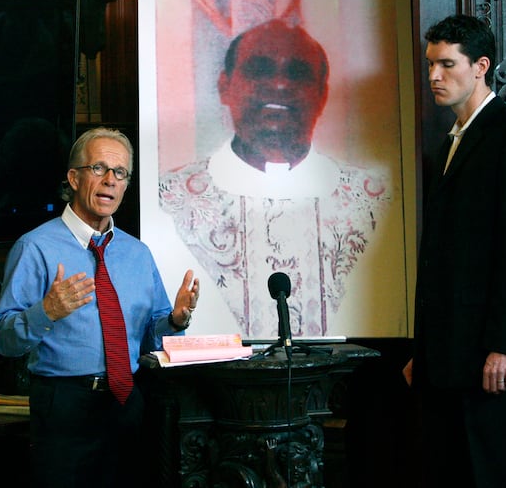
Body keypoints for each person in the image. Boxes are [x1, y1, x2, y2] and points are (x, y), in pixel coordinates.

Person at [402, 14, 506, 487]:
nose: (434, 76)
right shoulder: (451, 142)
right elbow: (445, 259)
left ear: (480, 66)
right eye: (430, 64)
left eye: (446, 64)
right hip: (450, 356)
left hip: (492, 358)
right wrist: (425, 351)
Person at [0, 127, 200, 487]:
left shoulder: (137, 253)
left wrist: (175, 321)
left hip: (129, 403)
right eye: (99, 168)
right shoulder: (35, 248)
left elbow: (151, 337)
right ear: (73, 178)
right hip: (64, 406)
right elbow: (3, 339)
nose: (110, 180)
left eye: (120, 173)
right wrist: (46, 311)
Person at [159, 18, 390, 338]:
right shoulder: (171, 196)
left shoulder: (373, 197)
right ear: (225, 85)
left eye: (298, 73)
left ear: (322, 94)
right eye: (260, 69)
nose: (280, 84)